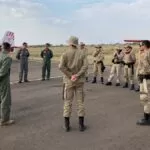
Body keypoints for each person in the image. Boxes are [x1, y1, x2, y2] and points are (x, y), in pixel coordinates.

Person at [59, 36, 88, 132]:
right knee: (80, 102)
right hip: (79, 81)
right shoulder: (82, 53)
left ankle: (67, 126)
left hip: (69, 81)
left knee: (67, 102)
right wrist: (77, 75)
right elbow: (85, 66)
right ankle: (81, 125)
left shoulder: (65, 53)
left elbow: (61, 67)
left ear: (70, 43)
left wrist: (71, 75)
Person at [0, 42, 15, 126]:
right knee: (5, 100)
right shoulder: (7, 58)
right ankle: (5, 120)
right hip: (3, 81)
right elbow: (2, 72)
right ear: (8, 48)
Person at [136, 40, 150, 125]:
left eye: (140, 45)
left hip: (147, 79)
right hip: (144, 79)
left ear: (144, 45)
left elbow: (146, 67)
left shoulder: (148, 53)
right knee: (145, 98)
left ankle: (147, 118)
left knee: (147, 98)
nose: (139, 46)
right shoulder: (144, 53)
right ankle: (147, 116)